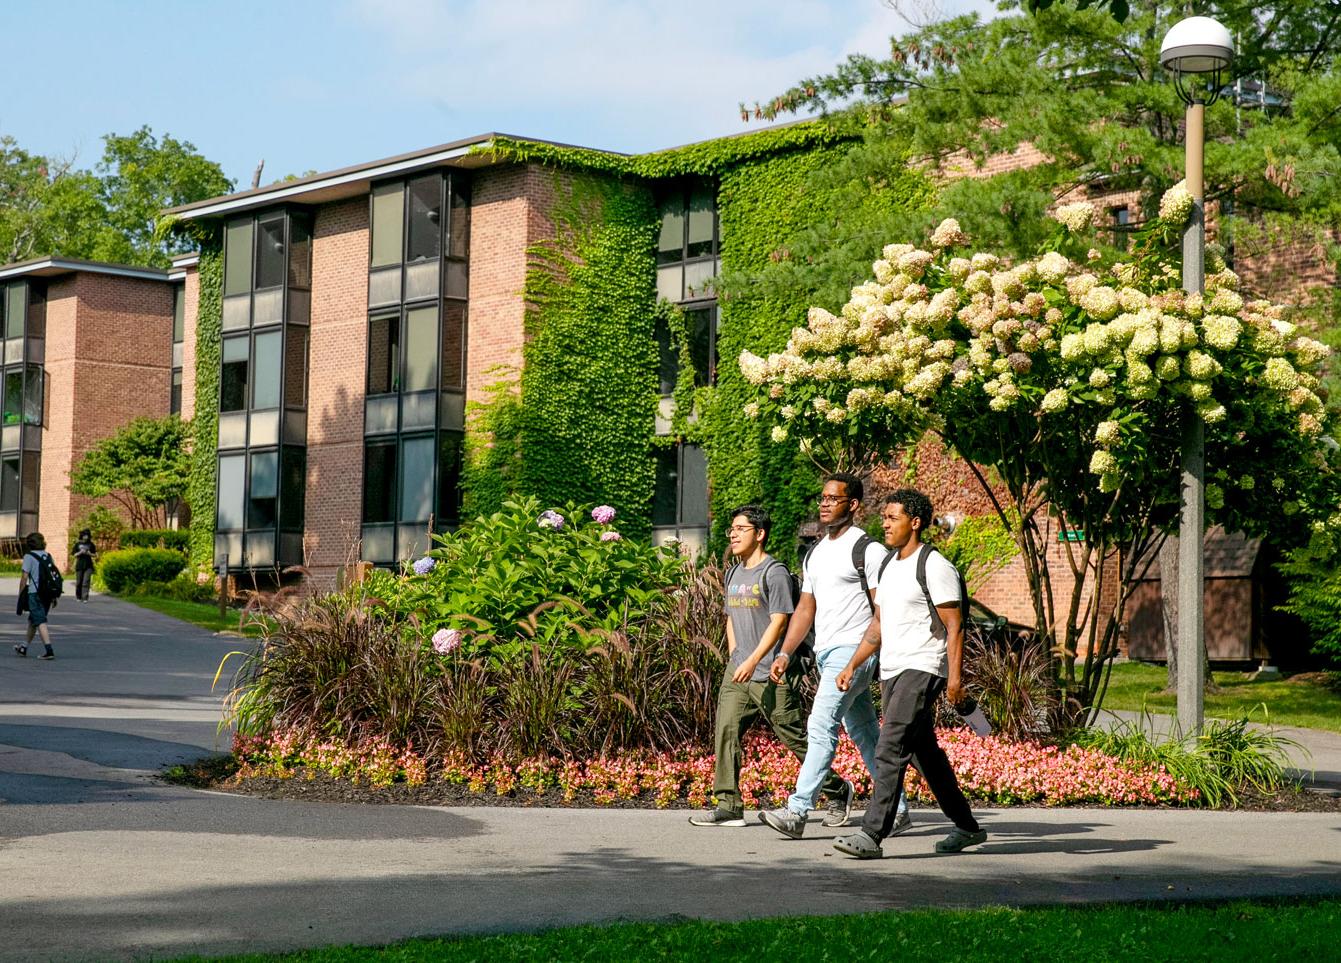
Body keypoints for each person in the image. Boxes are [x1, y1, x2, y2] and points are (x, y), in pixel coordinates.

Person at [833, 488, 986, 859]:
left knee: (890, 746)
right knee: (924, 754)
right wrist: (853, 664)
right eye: (883, 517)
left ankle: (872, 834)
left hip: (923, 666)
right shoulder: (888, 565)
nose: (884, 524)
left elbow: (955, 626)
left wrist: (954, 678)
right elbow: (878, 625)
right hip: (892, 669)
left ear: (914, 522)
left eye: (892, 518)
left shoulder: (935, 566)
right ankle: (967, 826)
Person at [759, 473, 910, 838]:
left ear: (853, 504)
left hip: (853, 652)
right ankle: (898, 808)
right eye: (822, 497)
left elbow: (882, 609)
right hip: (827, 653)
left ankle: (797, 811)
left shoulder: (868, 550)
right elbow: (805, 610)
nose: (824, 504)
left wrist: (861, 659)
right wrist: (784, 653)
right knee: (864, 732)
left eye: (833, 498)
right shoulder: (815, 553)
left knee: (820, 723)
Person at [689, 505, 851, 827]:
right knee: (726, 730)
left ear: (760, 534)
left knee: (792, 737)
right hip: (740, 671)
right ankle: (728, 805)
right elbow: (730, 618)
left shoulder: (773, 572)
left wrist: (753, 660)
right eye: (731, 529)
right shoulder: (734, 572)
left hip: (771, 674)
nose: (733, 535)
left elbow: (779, 622)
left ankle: (836, 789)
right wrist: (737, 655)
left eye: (740, 529)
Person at [15, 532, 59, 660]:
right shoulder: (48, 556)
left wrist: (21, 594)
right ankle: (24, 647)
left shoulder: (29, 557)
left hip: (35, 593)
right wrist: (54, 596)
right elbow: (52, 578)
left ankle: (49, 650)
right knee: (33, 620)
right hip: (47, 594)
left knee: (39, 621)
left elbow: (24, 577)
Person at [72, 529, 97, 602]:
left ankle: (85, 597)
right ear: (82, 536)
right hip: (79, 565)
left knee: (86, 581)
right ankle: (78, 596)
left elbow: (95, 554)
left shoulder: (91, 544)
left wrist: (89, 553)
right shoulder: (78, 544)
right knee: (79, 582)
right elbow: (74, 554)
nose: (86, 537)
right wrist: (80, 552)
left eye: (87, 535)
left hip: (88, 565)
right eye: (85, 535)